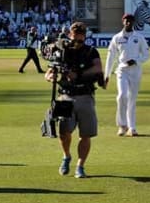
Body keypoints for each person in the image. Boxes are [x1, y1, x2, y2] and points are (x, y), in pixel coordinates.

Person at [44, 21, 106, 178]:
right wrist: (52, 77)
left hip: (85, 95)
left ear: (85, 37)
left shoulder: (91, 51)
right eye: (74, 39)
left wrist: (78, 74)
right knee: (63, 132)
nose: (77, 43)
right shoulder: (61, 51)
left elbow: (98, 68)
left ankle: (80, 166)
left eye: (81, 40)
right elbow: (49, 72)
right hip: (65, 95)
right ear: (69, 36)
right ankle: (66, 156)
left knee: (85, 134)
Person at [105, 13, 150, 136]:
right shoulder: (117, 38)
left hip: (135, 71)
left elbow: (146, 55)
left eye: (131, 21)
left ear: (134, 22)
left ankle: (132, 127)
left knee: (132, 100)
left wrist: (136, 60)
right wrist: (106, 75)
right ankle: (122, 125)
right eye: (126, 20)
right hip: (122, 70)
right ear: (123, 21)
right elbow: (111, 57)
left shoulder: (139, 37)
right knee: (122, 96)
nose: (128, 23)